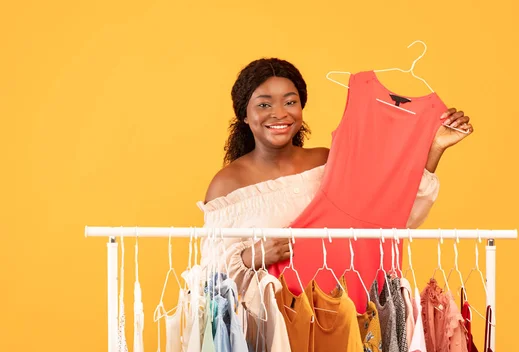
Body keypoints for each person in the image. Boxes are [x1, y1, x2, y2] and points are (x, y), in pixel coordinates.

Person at [198, 58, 473, 293]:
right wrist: (253, 256)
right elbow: (211, 277)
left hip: (346, 310)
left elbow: (391, 217)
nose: (280, 113)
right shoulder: (228, 184)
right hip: (272, 325)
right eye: (264, 105)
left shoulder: (330, 161)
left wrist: (435, 148)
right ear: (244, 115)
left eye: (290, 102)